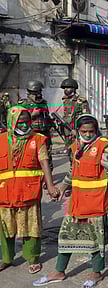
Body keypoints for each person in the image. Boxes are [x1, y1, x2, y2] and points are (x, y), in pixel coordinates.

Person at [33, 114, 108, 288]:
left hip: (97, 202)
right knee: (66, 237)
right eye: (84, 131)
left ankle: (96, 273)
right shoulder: (75, 147)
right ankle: (59, 271)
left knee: (97, 240)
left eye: (91, 131)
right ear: (78, 131)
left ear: (96, 130)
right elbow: (73, 172)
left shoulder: (104, 147)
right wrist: (62, 190)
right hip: (77, 202)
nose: (87, 135)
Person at [0, 105, 57, 274]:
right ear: (11, 122)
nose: (25, 125)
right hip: (4, 193)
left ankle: (32, 258)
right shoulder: (1, 139)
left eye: (27, 122)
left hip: (29, 192)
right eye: (20, 122)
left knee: (31, 228)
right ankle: (7, 258)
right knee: (5, 228)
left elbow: (44, 162)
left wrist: (51, 185)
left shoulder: (38, 139)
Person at [18, 80, 54, 172]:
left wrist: (52, 123)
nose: (38, 95)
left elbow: (46, 116)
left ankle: (47, 181)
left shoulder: (43, 103)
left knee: (47, 156)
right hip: (31, 133)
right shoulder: (23, 104)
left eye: (40, 92)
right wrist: (32, 114)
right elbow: (19, 120)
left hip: (44, 133)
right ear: (29, 93)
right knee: (31, 156)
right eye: (36, 93)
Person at [60, 78, 90, 162]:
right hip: (67, 132)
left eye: (68, 87)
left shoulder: (80, 101)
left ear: (73, 88)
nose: (66, 89)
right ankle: (73, 171)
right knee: (70, 153)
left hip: (77, 132)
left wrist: (79, 131)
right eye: (64, 88)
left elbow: (86, 117)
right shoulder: (65, 100)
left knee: (79, 153)